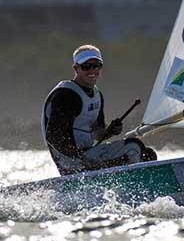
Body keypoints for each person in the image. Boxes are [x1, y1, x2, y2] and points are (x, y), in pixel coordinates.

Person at [41, 44, 156, 175]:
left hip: (88, 154)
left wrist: (110, 131)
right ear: (76, 68)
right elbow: (53, 136)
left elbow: (98, 134)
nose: (92, 70)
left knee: (147, 154)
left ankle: (139, 190)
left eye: (96, 66)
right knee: (133, 147)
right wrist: (81, 160)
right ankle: (135, 187)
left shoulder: (97, 95)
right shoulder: (66, 95)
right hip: (71, 162)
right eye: (86, 66)